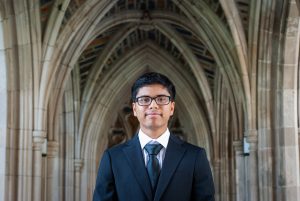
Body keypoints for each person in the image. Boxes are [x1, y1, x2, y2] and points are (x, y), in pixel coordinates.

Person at [93, 72, 215, 201]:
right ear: (134, 108)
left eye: (161, 99)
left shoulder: (195, 157)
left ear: (172, 107)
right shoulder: (112, 159)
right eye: (145, 100)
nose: (153, 105)